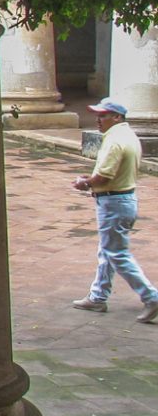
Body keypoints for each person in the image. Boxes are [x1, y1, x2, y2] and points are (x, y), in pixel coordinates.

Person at [70, 97, 158, 323]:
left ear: (116, 117)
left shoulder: (115, 140)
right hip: (123, 199)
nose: (98, 120)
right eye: (98, 115)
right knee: (108, 250)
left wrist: (85, 182)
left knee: (117, 254)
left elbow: (104, 175)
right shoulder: (127, 135)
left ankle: (151, 297)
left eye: (103, 115)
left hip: (114, 202)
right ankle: (98, 296)